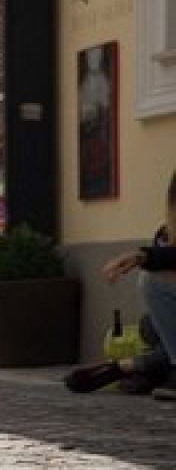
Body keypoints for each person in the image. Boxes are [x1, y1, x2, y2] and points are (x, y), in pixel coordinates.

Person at [66, 168, 176, 399]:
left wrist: (143, 257)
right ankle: (130, 369)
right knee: (154, 326)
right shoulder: (166, 235)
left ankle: (125, 367)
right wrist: (148, 256)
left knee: (153, 285)